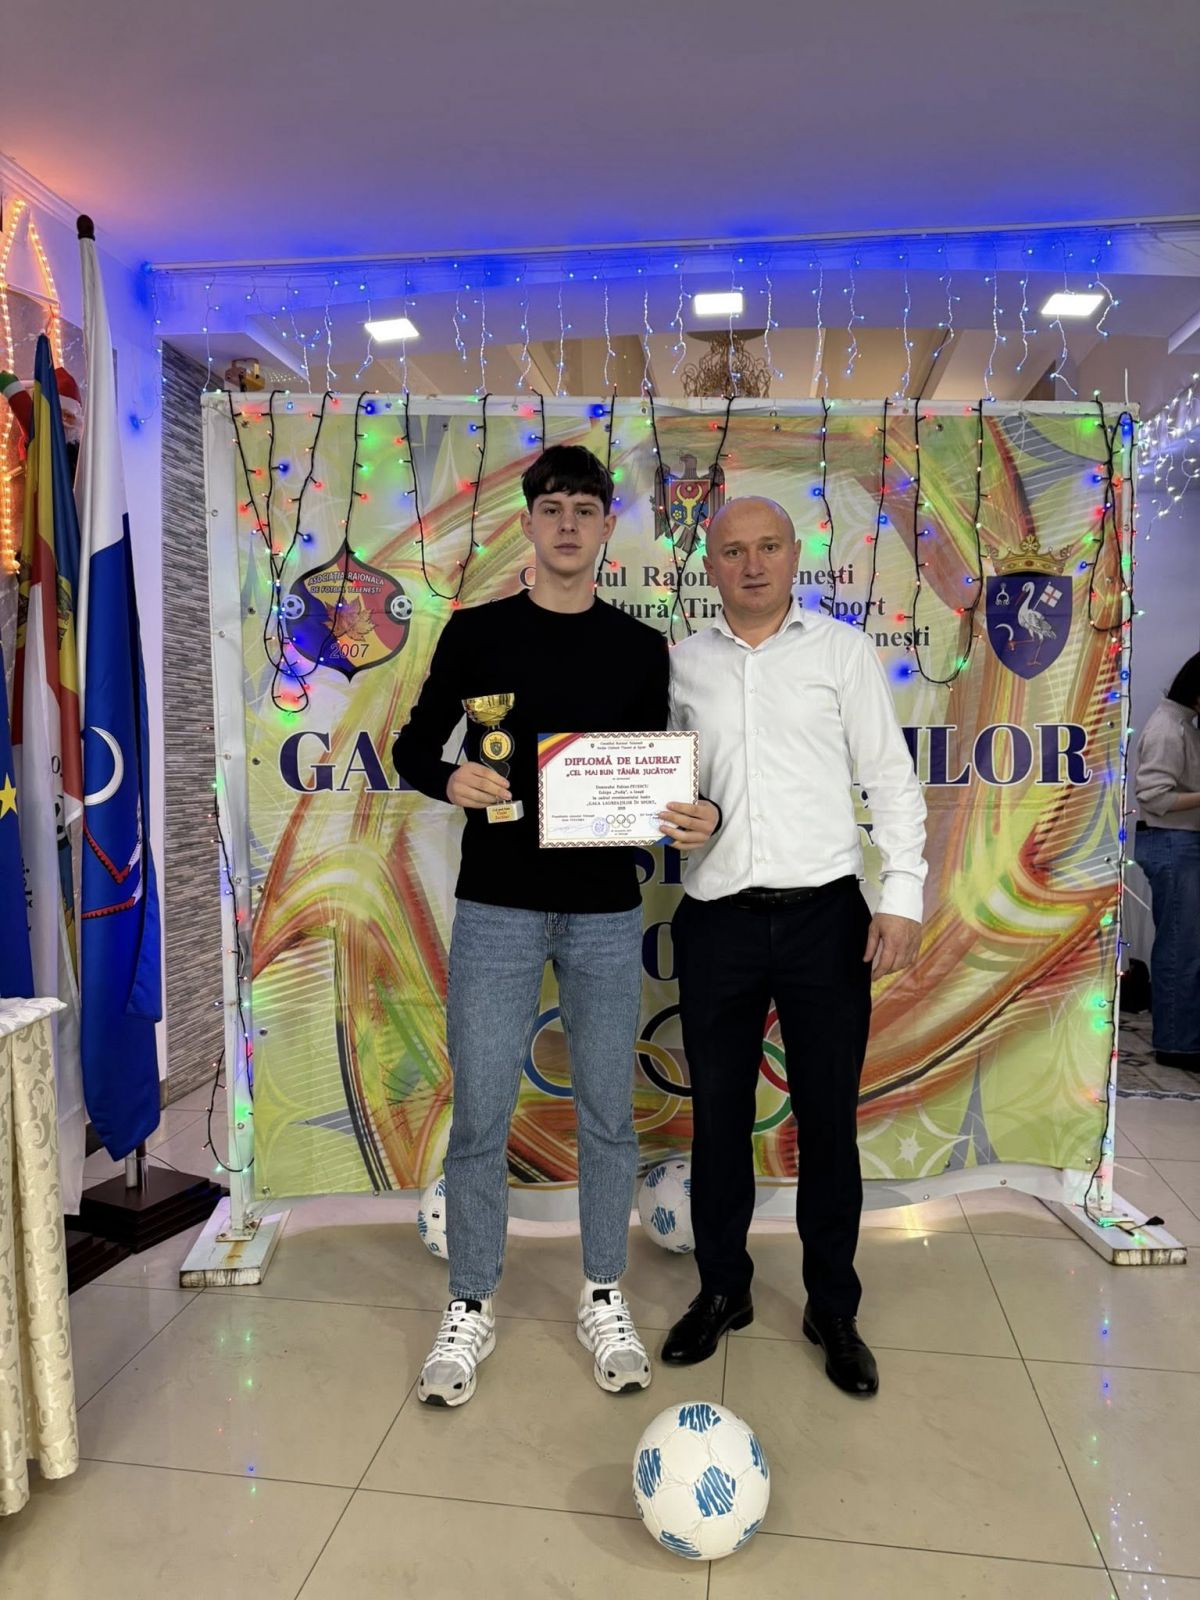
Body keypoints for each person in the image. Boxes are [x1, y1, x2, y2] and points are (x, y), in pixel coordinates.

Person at [394, 443, 694, 1407]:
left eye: (584, 510)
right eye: (552, 508)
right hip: (497, 906)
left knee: (608, 1112)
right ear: (527, 524)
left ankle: (603, 1290)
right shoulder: (475, 634)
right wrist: (449, 778)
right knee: (483, 1110)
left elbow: (648, 770)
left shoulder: (640, 649)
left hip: (606, 910)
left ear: (607, 527)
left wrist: (669, 804)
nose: (568, 525)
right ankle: (470, 1300)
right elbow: (410, 747)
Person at [659, 497, 927, 1398]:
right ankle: (722, 1290)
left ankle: (832, 1307)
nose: (752, 564)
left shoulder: (840, 652)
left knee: (828, 1121)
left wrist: (901, 897)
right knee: (718, 1119)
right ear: (710, 564)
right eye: (733, 550)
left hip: (826, 920)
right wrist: (679, 818)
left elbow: (891, 781)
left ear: (794, 554)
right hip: (717, 918)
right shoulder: (682, 665)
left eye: (768, 546)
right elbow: (662, 788)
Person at [1133, 651, 1200, 1071]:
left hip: (1180, 843)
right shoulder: (1167, 728)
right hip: (1172, 843)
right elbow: (1154, 797)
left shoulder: (1184, 724)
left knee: (1186, 946)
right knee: (1180, 947)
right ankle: (1176, 1045)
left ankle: (1183, 1038)